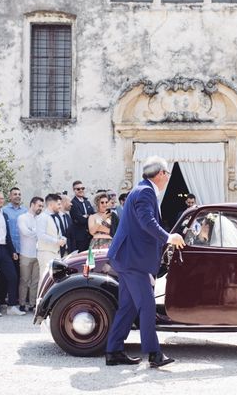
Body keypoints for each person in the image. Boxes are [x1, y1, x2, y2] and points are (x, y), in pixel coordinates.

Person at [105, 156, 186, 368]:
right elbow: (147, 222)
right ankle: (153, 354)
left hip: (127, 257)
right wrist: (170, 237)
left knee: (128, 306)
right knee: (147, 305)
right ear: (160, 174)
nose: (168, 177)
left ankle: (114, 351)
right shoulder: (145, 192)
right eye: (167, 173)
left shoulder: (142, 190)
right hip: (132, 260)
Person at [17, 196, 43, 311]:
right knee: (24, 280)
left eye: (42, 206)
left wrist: (35, 232)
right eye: (39, 205)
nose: (41, 208)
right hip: (26, 254)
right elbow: (25, 232)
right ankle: (22, 304)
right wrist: (38, 233)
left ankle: (32, 304)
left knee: (36, 281)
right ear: (32, 204)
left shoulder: (41, 219)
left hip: (38, 254)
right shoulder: (22, 218)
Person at [36, 194, 67, 284]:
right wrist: (57, 241)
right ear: (51, 204)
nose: (60, 206)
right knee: (44, 280)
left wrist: (63, 239)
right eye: (58, 204)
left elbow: (59, 234)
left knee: (55, 281)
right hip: (46, 253)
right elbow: (41, 235)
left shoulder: (56, 218)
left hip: (56, 254)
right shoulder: (42, 217)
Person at [70, 181, 95, 252]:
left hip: (90, 236)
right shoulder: (73, 203)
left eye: (82, 188)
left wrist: (87, 216)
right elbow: (80, 220)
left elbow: (93, 215)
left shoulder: (87, 202)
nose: (81, 190)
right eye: (78, 189)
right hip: (80, 238)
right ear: (73, 190)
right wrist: (88, 217)